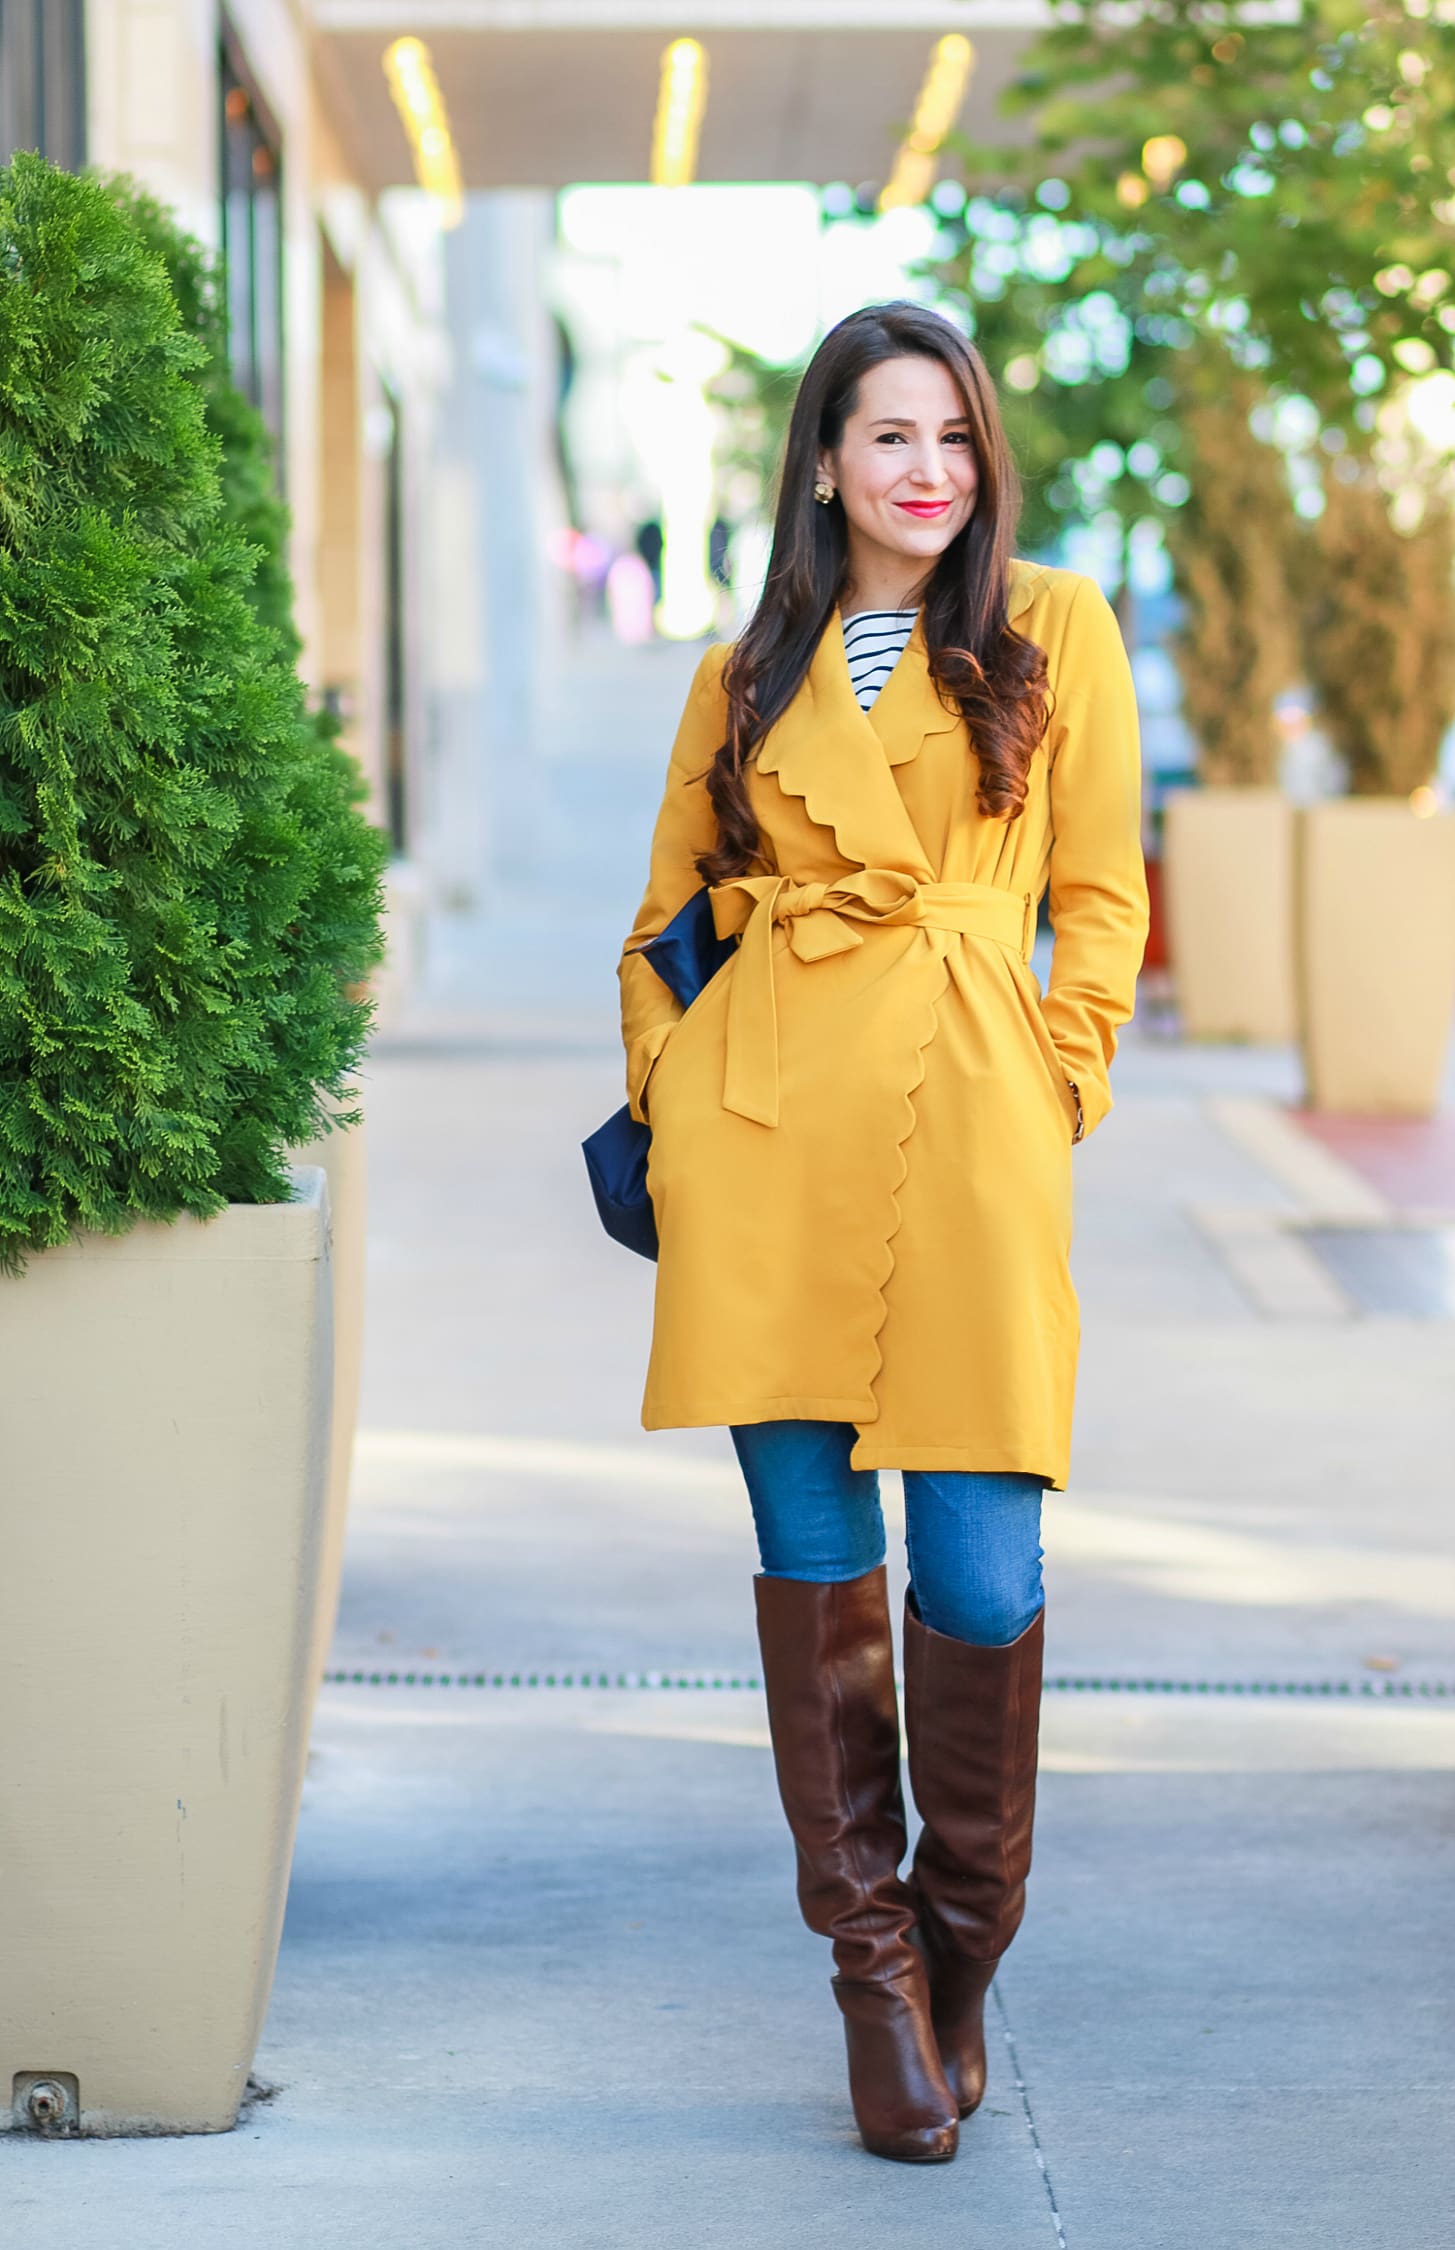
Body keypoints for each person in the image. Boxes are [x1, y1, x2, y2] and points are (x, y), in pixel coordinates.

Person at [615, 302, 1149, 2165]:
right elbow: (666, 917)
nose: (931, 470)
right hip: (769, 1143)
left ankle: (961, 1940)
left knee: (983, 1574)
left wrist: (1061, 1076)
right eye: (891, 436)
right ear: (827, 464)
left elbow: (1102, 894)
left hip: (975, 1122)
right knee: (816, 1558)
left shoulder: (1053, 628)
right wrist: (674, 1098)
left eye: (955, 436)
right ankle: (870, 1975)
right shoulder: (746, 668)